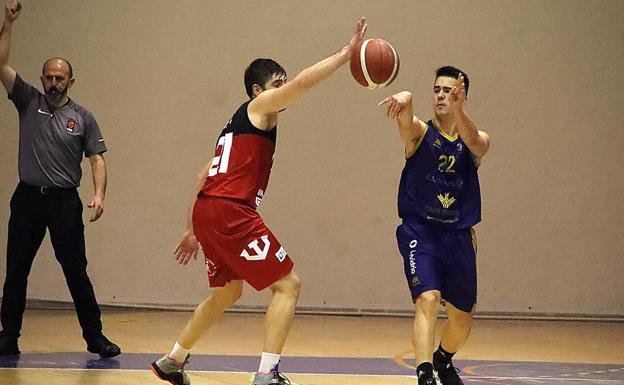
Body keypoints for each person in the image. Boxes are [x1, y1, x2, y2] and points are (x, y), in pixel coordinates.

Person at [150, 18, 367, 385]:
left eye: (281, 84)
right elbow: (301, 84)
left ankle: (173, 359)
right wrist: (346, 55)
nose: (282, 90)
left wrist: (193, 228)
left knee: (227, 292)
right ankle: (267, 374)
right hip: (231, 210)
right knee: (288, 285)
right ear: (257, 90)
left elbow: (202, 175)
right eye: (275, 84)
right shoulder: (260, 107)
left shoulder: (236, 125)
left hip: (209, 209)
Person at [0, 0, 120, 358]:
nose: (53, 83)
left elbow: (97, 158)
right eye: (49, 77)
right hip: (28, 199)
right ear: (42, 79)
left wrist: (99, 195)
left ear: (70, 80)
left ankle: (95, 338)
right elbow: (1, 64)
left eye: (60, 78)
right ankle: (8, 336)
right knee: (16, 269)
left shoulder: (82, 117)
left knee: (76, 272)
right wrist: (7, 24)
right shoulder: (27, 100)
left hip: (64, 202)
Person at [379, 66, 490, 385]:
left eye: (449, 91)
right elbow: (406, 123)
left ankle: (443, 359)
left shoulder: (476, 141)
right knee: (427, 298)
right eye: (437, 90)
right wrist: (406, 100)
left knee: (462, 319)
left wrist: (459, 110)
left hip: (458, 236)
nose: (442, 95)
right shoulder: (420, 133)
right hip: (420, 232)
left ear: (463, 96)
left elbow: (475, 142)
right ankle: (424, 373)